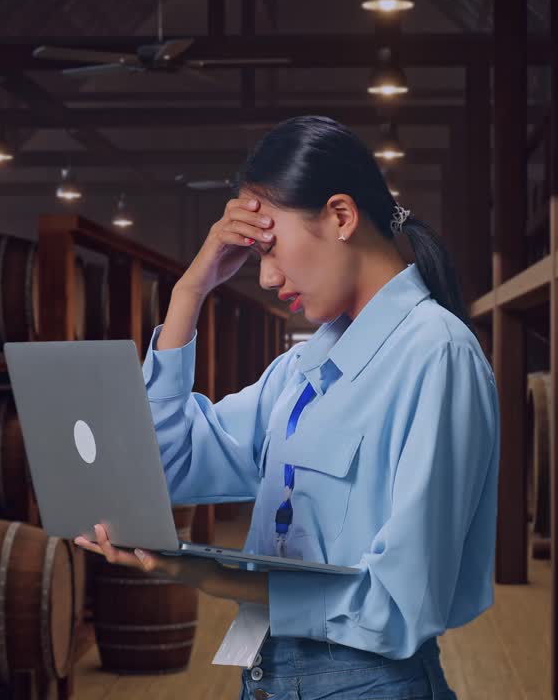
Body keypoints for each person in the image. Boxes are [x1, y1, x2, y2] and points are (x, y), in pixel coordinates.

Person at [74, 115, 499, 700]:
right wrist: (187, 294)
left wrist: (203, 571)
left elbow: (402, 602)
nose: (267, 278)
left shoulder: (437, 354)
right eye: (254, 257)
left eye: (269, 248)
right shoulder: (299, 372)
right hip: (270, 675)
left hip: (370, 685)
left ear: (341, 217)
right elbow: (164, 466)